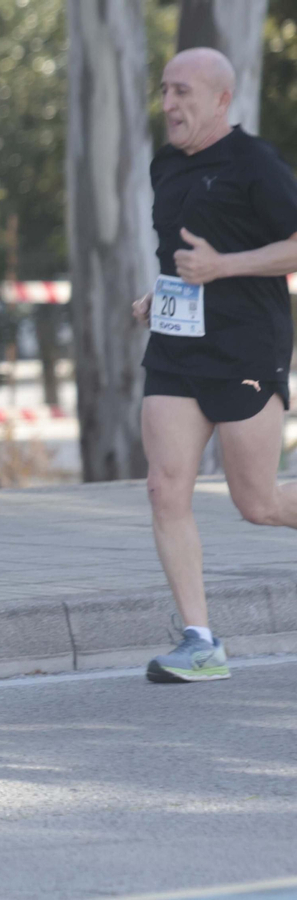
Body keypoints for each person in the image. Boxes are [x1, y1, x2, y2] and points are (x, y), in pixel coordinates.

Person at [133, 47, 297, 683]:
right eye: (165, 91)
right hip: (177, 348)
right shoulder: (166, 165)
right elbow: (178, 257)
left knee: (258, 502)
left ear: (221, 100)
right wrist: (158, 295)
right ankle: (200, 641)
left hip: (245, 347)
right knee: (164, 486)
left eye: (183, 92)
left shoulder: (255, 163)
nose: (169, 104)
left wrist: (223, 267)